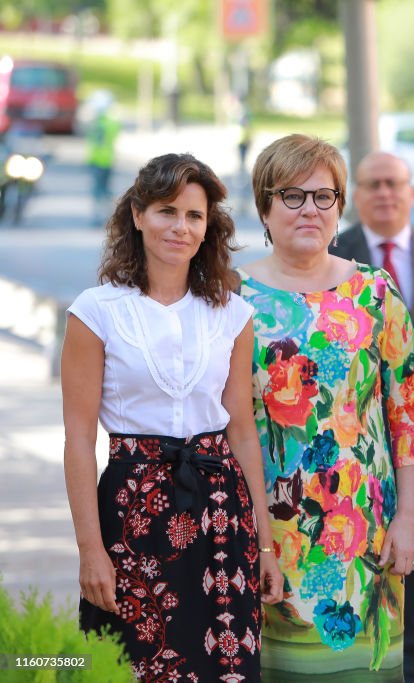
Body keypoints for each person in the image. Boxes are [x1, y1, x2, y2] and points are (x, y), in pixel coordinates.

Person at [62, 153, 284, 681]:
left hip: (221, 516)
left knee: (222, 666)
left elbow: (242, 431)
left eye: (194, 216)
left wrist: (265, 543)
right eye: (167, 211)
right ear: (137, 215)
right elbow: (76, 441)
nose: (180, 228)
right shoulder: (95, 311)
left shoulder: (233, 314)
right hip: (131, 512)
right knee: (125, 666)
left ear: (208, 228)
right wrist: (90, 549)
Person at [239, 134, 414, 682]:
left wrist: (410, 521)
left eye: (324, 196)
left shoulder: (375, 292)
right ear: (265, 208)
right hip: (267, 528)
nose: (309, 210)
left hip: (366, 532)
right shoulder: (232, 296)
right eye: (292, 196)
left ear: (341, 208)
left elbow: (409, 418)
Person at [329, 150, 414, 683]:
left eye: (394, 183)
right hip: (360, 451)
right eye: (372, 184)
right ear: (357, 196)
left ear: (412, 192)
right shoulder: (332, 253)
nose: (384, 193)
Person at [85, 90, 120, 225]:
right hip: (107, 160)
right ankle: (108, 214)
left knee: (98, 189)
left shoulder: (95, 122)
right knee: (105, 189)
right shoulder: (111, 122)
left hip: (96, 160)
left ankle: (100, 214)